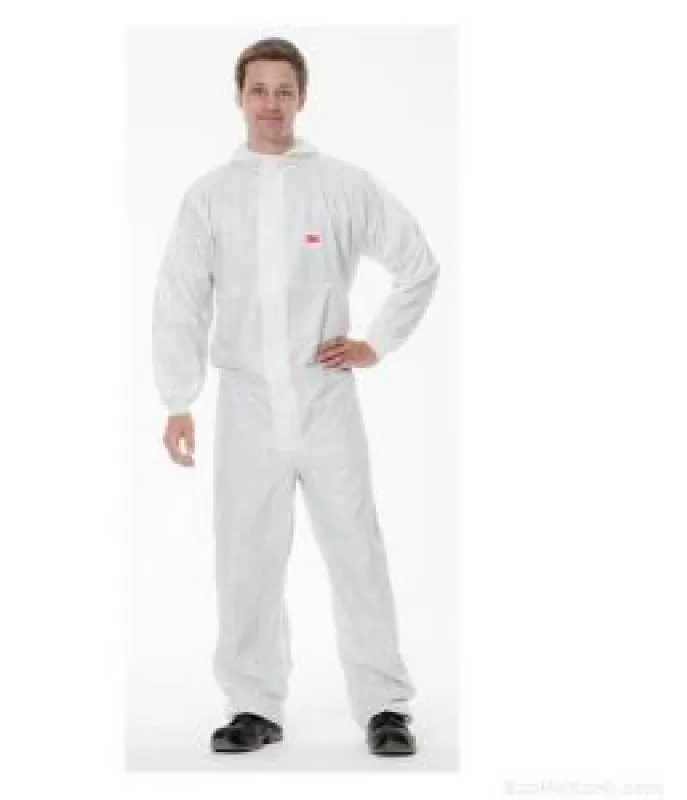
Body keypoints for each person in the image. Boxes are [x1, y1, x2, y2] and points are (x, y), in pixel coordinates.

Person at [152, 37, 441, 757]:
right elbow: (180, 298)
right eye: (259, 90)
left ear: (302, 98)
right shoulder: (211, 196)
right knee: (246, 556)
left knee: (356, 549)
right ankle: (253, 705)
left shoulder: (341, 185)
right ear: (239, 97)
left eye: (285, 90)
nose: (271, 104)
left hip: (325, 397)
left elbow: (418, 264)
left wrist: (377, 341)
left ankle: (385, 705)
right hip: (246, 403)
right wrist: (178, 398)